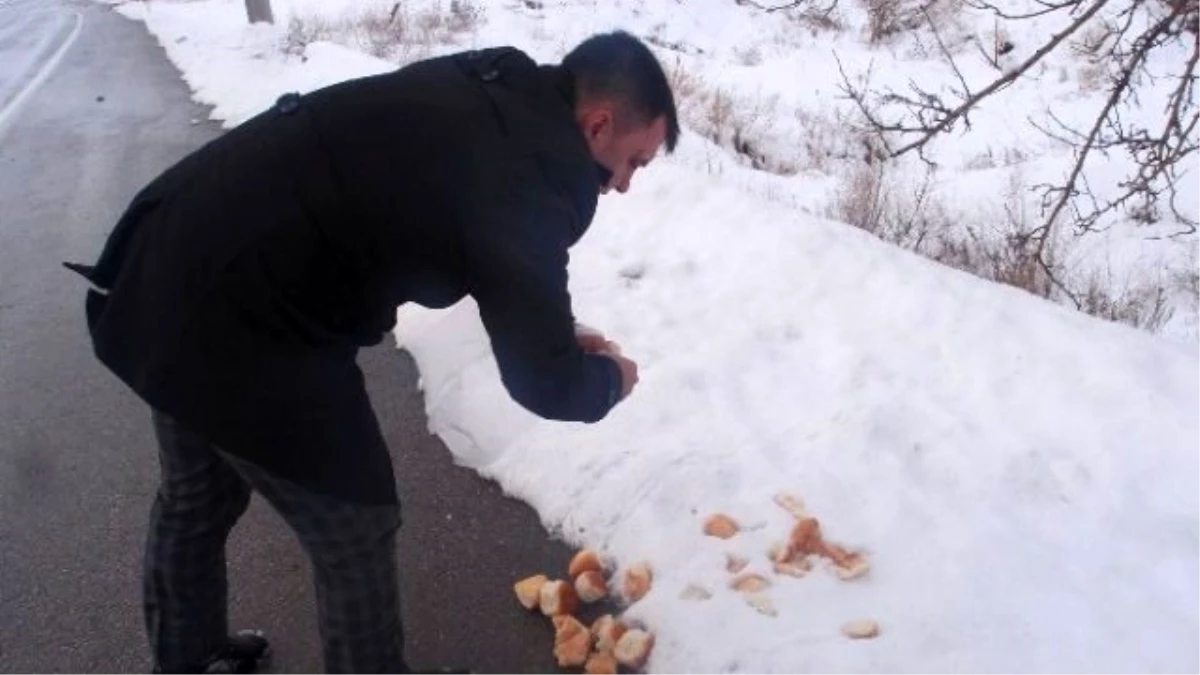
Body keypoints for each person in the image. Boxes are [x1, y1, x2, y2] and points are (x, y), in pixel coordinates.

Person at [64, 28, 679, 675]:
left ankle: (184, 660)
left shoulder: (499, 90)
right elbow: (543, 379)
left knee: (197, 497)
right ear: (600, 123)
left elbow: (493, 254)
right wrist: (608, 379)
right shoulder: (531, 173)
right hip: (253, 314)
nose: (626, 185)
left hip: (180, 245)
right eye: (634, 162)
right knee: (355, 525)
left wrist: (557, 332)